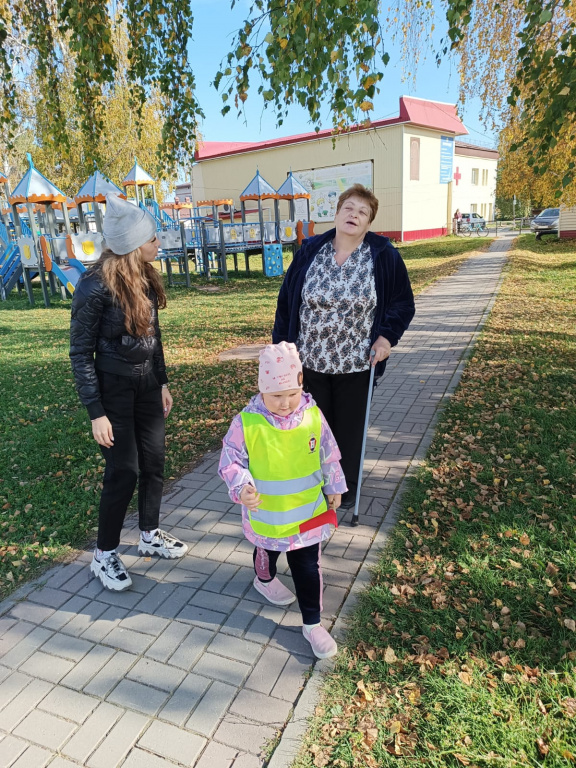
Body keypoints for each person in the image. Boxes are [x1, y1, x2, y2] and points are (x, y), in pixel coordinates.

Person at [70, 194, 187, 592]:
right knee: (124, 471)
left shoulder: (145, 277)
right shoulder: (93, 286)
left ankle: (149, 534)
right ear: (134, 244)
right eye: (153, 238)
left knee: (153, 462)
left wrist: (162, 381)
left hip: (148, 386)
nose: (159, 243)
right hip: (113, 390)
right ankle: (103, 554)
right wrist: (96, 412)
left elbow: (154, 335)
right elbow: (80, 353)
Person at [273, 184, 415, 510]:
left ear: (369, 222)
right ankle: (313, 489)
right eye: (349, 208)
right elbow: (287, 303)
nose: (354, 215)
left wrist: (386, 338)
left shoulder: (383, 255)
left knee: (349, 433)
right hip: (309, 363)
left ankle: (345, 492)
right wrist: (281, 349)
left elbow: (402, 303)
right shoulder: (310, 251)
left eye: (363, 212)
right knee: (312, 432)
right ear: (337, 214)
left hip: (357, 364)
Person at [219, 342, 347, 659]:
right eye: (276, 396)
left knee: (308, 567)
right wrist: (242, 486)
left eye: (292, 393)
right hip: (269, 515)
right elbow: (230, 461)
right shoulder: (247, 423)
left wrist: (334, 485)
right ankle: (264, 579)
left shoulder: (313, 416)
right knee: (268, 550)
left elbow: (329, 454)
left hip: (307, 516)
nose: (286, 403)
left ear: (301, 385)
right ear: (261, 390)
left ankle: (312, 624)